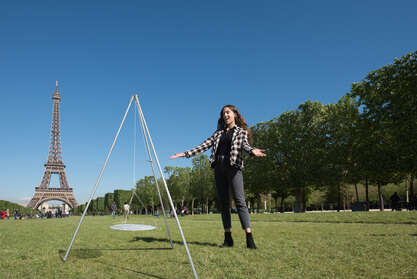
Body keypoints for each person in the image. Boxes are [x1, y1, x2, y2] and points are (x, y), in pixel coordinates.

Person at [170, 105, 266, 249]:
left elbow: (245, 146)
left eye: (228, 112)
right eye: (223, 113)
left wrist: (253, 151)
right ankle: (228, 238)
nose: (225, 115)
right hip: (219, 169)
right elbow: (203, 146)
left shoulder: (241, 132)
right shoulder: (218, 133)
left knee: (240, 202)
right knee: (224, 204)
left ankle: (249, 238)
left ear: (234, 114)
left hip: (233, 168)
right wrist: (185, 154)